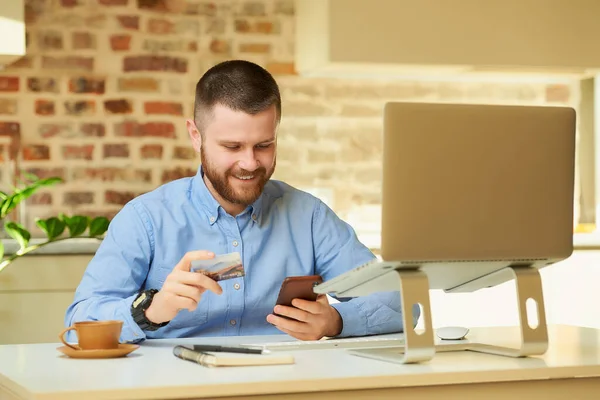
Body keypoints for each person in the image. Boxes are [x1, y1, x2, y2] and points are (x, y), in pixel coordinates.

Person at [65, 60, 410, 343]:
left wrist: (335, 320)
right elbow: (79, 322)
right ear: (195, 136)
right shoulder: (145, 219)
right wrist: (150, 310)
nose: (250, 163)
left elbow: (404, 302)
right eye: (232, 147)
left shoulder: (309, 217)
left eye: (264, 145)